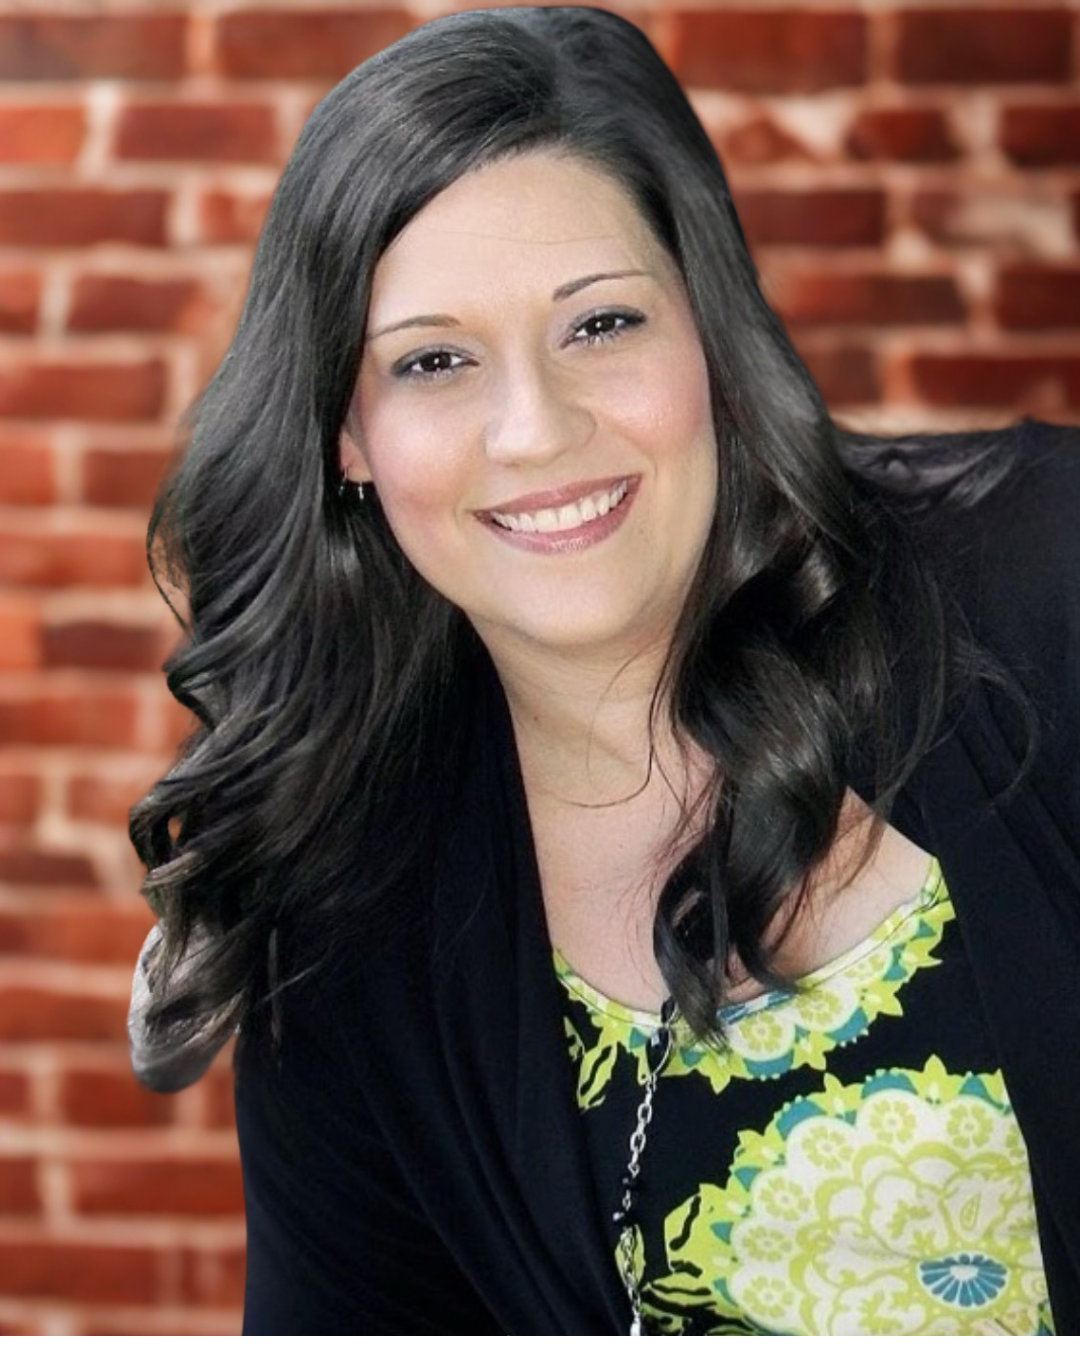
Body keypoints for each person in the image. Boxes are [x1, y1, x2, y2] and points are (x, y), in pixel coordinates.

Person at [127, 6, 1080, 1335]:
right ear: (348, 432)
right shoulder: (346, 925)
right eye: (435, 361)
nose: (535, 430)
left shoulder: (1047, 581)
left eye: (602, 324)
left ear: (710, 331)